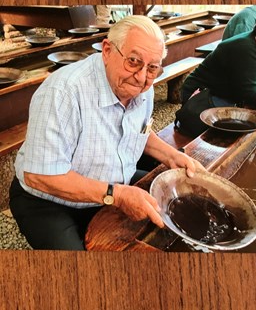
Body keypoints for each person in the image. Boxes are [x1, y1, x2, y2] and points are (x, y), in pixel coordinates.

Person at [9, 15, 203, 250]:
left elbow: (139, 131)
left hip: (112, 181)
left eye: (152, 68)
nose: (141, 77)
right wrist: (117, 195)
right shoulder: (63, 92)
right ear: (108, 50)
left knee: (175, 209)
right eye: (133, 61)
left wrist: (174, 157)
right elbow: (39, 175)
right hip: (48, 198)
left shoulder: (143, 86)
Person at [176, 7, 256, 137]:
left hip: (228, 93)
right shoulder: (244, 49)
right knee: (221, 137)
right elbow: (250, 94)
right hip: (203, 95)